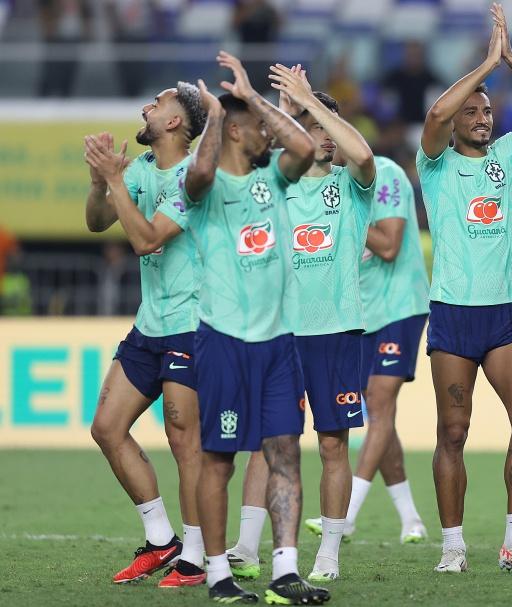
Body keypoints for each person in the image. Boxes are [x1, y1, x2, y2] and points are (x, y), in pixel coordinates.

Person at [163, 52, 326, 605]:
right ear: (233, 132)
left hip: (278, 344)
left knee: (284, 452)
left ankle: (284, 571)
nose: (268, 135)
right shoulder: (202, 187)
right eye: (258, 127)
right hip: (225, 341)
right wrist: (214, 115)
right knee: (219, 459)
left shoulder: (273, 180)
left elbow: (303, 146)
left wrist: (255, 97)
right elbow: (204, 172)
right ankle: (216, 575)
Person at [417, 3, 512, 574]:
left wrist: (511, 60)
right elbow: (434, 111)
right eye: (472, 110)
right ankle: (453, 545)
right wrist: (482, 66)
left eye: (487, 109)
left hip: (505, 316)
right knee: (452, 433)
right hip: (453, 315)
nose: (482, 116)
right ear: (456, 122)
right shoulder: (434, 164)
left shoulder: (509, 152)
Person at [225, 64, 376, 585]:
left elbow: (363, 155)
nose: (324, 139)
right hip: (279, 330)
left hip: (336, 329)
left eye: (328, 128)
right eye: (314, 128)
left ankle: (328, 552)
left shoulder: (351, 188)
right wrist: (283, 112)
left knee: (333, 443)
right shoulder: (275, 186)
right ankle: (245, 546)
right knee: (271, 440)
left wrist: (313, 103)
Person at [83, 82, 208, 588]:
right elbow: (96, 223)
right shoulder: (137, 171)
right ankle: (162, 541)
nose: (147, 108)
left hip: (193, 325)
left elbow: (147, 239)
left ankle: (197, 558)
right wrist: (101, 182)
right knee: (106, 428)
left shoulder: (192, 177)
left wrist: (115, 178)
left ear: (176, 123)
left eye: (158, 105)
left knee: (184, 442)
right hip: (149, 325)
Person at [303, 153, 430, 546]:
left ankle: (347, 517)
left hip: (400, 305)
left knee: (378, 402)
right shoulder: (320, 186)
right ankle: (411, 518)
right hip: (360, 312)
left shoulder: (386, 173)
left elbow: (389, 244)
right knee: (379, 415)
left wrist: (348, 217)